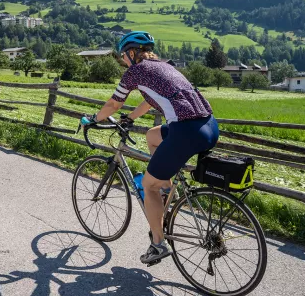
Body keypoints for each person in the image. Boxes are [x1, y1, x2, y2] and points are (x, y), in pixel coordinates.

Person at [80, 31, 219, 264]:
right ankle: (165, 187)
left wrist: (95, 118)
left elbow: (114, 103)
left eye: (124, 55)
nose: (123, 60)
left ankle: (157, 244)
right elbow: (149, 100)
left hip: (185, 132)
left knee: (147, 185)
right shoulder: (165, 67)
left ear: (133, 53)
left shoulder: (135, 71)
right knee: (153, 135)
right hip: (209, 126)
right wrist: (131, 118)